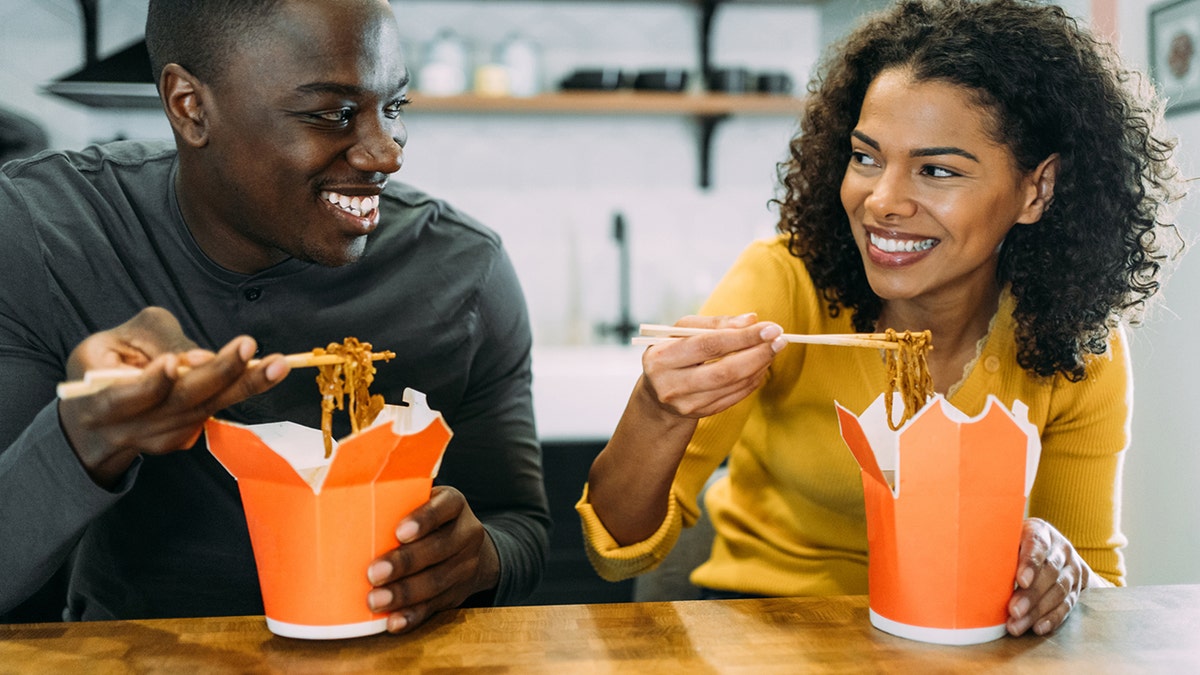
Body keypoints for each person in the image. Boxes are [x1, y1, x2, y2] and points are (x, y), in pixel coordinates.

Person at [578, 0, 1185, 638]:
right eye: (867, 157)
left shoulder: (1072, 345)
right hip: (767, 629)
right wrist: (655, 411)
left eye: (937, 170)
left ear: (1038, 190)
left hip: (965, 642)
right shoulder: (785, 285)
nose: (882, 202)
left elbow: (1092, 579)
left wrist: (1061, 576)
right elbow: (617, 551)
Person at [0, 0, 550, 632]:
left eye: (394, 108)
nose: (386, 155)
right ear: (189, 105)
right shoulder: (43, 236)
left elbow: (520, 527)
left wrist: (482, 559)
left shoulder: (461, 269)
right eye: (331, 114)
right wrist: (90, 437)